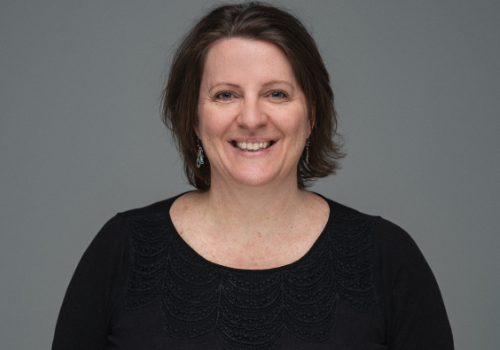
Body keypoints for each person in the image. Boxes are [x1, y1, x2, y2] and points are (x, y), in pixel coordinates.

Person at [52, 2, 454, 349]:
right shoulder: (122, 251)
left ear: (312, 115)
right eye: (225, 94)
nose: (250, 118)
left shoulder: (387, 258)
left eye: (276, 93)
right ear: (194, 118)